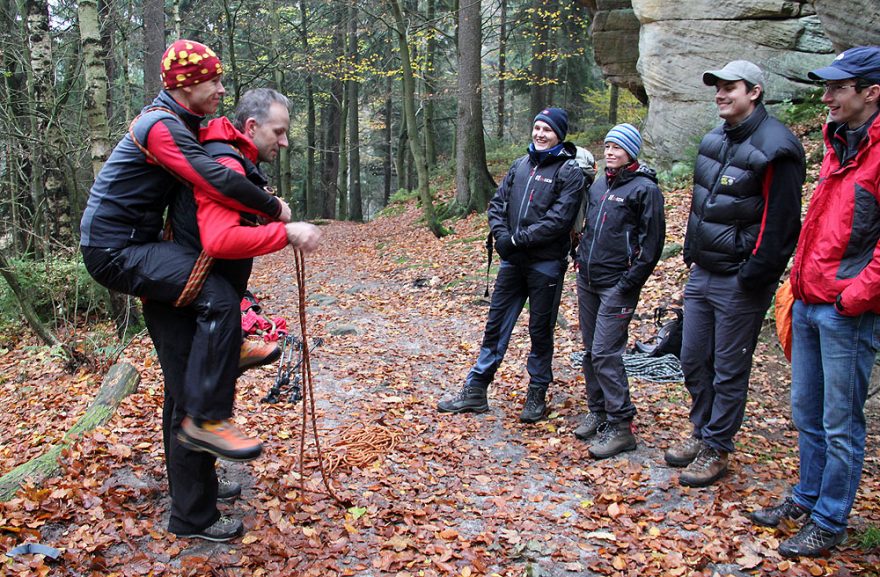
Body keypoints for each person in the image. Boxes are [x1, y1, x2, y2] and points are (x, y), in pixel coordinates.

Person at [80, 40, 318, 540]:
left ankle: (197, 490)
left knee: (187, 386)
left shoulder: (189, 126)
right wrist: (279, 217)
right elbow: (212, 181)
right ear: (186, 83)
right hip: (115, 248)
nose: (221, 88)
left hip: (143, 246)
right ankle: (195, 498)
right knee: (204, 347)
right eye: (213, 80)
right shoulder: (161, 126)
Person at [749, 46, 880, 558]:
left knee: (840, 421)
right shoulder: (838, 141)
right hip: (808, 299)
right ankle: (807, 495)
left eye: (837, 89)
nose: (826, 98)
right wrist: (798, 285)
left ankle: (829, 519)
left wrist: (854, 296)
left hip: (846, 309)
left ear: (871, 92)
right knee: (806, 410)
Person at [667, 60, 805, 487]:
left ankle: (717, 445)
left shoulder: (777, 146)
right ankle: (701, 430)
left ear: (755, 92)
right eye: (718, 88)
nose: (721, 94)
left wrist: (753, 275)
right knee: (692, 358)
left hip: (741, 279)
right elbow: (701, 206)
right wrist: (692, 254)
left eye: (731, 87)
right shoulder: (713, 140)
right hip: (704, 271)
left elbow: (782, 224)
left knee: (728, 366)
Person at [437, 107, 585, 423]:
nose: (540, 134)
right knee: (496, 325)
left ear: (559, 134)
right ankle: (476, 390)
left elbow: (559, 220)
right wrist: (502, 235)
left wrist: (517, 240)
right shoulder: (521, 165)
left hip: (545, 265)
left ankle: (536, 395)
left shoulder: (569, 172)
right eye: (537, 127)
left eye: (548, 129)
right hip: (512, 264)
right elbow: (498, 204)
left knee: (540, 331)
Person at [573, 124, 665, 459]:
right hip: (589, 280)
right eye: (608, 146)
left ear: (631, 152)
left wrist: (629, 282)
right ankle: (597, 412)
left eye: (618, 147)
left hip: (617, 285)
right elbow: (589, 228)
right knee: (589, 351)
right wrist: (580, 260)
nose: (610, 152)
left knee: (605, 353)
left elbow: (651, 244)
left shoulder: (645, 190)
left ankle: (621, 425)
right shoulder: (599, 185)